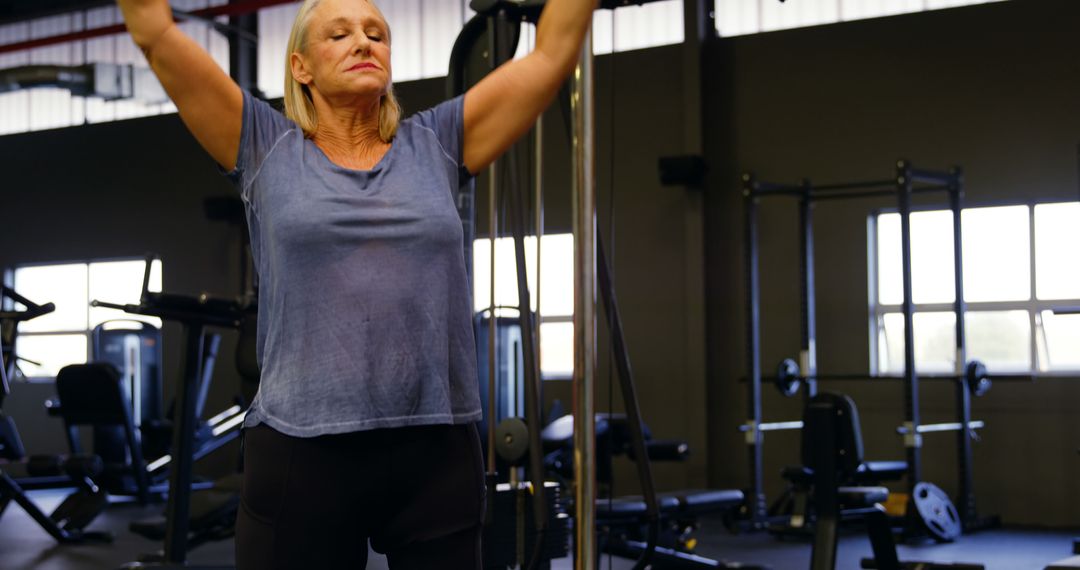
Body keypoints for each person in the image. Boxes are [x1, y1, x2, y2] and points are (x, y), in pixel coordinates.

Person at [116, 0, 597, 567]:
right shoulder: (265, 147)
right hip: (304, 450)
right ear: (301, 67)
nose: (364, 43)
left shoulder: (438, 143)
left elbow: (552, 51)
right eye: (339, 34)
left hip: (436, 446)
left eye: (376, 33)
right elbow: (152, 29)